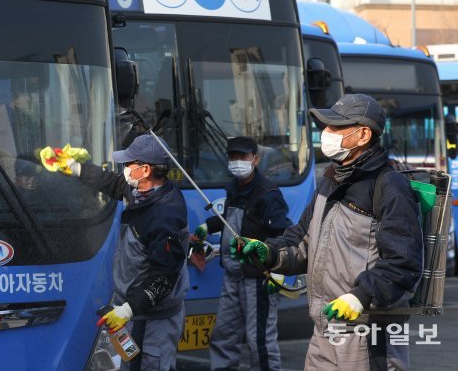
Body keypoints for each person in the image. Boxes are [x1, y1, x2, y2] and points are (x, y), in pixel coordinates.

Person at [232, 94, 423, 370]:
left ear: (363, 134)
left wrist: (359, 296)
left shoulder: (389, 186)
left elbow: (403, 264)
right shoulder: (331, 181)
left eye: (336, 127)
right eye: (326, 126)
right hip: (324, 332)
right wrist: (270, 253)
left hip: (367, 338)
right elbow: (301, 241)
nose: (326, 134)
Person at [42, 134, 189, 370]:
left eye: (130, 163)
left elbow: (164, 276)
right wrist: (75, 168)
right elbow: (113, 183)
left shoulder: (164, 215)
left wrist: (127, 310)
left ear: (145, 170)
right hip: (137, 314)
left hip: (152, 320)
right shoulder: (144, 191)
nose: (125, 168)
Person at [194, 136, 292, 371]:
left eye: (243, 157)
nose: (237, 161)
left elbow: (283, 233)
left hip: (258, 278)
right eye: (233, 157)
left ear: (255, 159)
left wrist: (278, 272)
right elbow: (229, 221)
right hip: (232, 276)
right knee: (224, 335)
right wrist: (207, 227)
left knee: (259, 340)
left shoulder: (268, 193)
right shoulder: (234, 189)